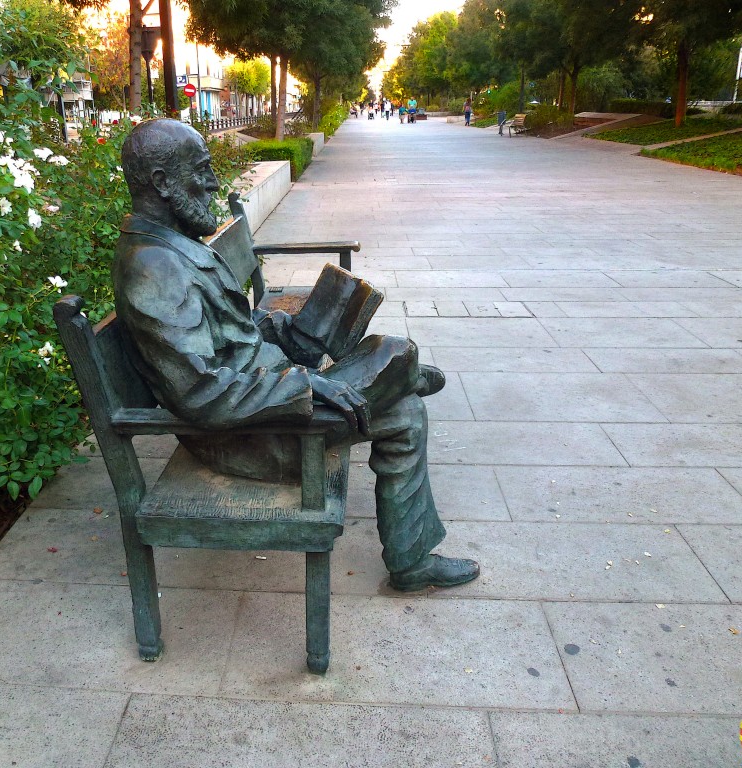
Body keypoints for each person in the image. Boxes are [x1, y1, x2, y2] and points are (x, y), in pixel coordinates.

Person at [112, 119, 481, 592]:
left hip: (264, 404)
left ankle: (410, 560)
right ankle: (402, 376)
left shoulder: (168, 247)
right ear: (162, 183)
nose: (211, 183)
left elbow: (227, 336)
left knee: (405, 411)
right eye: (201, 171)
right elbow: (199, 391)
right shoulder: (153, 266)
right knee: (396, 353)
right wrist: (306, 384)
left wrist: (285, 329)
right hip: (251, 435)